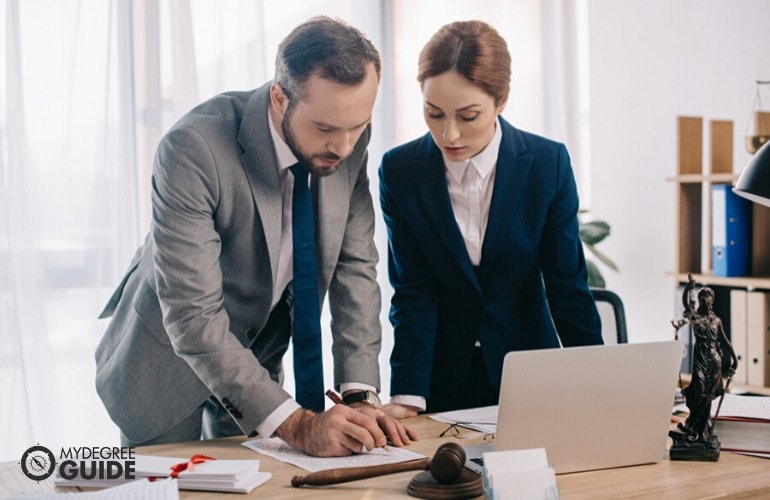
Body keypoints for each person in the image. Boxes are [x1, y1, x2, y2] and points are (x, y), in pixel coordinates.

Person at [95, 16, 415, 457]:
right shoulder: (192, 149)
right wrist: (300, 425)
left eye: (357, 127)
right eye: (324, 128)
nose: (343, 147)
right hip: (165, 363)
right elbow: (193, 317)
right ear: (280, 98)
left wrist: (360, 395)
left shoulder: (346, 135)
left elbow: (355, 266)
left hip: (258, 359)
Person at [379, 20, 603, 417]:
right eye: (434, 114)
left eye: (468, 116)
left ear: (501, 101)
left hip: (531, 376)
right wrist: (407, 395)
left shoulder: (547, 165)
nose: (448, 134)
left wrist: (601, 384)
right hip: (440, 381)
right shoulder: (400, 171)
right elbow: (413, 290)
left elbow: (567, 285)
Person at [671, 273, 738, 442]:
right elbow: (685, 302)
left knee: (709, 395)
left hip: (714, 361)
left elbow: (725, 341)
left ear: (712, 302)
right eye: (703, 301)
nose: (706, 304)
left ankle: (702, 431)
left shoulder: (716, 320)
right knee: (699, 390)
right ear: (700, 301)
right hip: (700, 359)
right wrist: (689, 286)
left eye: (709, 302)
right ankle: (693, 425)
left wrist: (735, 360)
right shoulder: (695, 317)